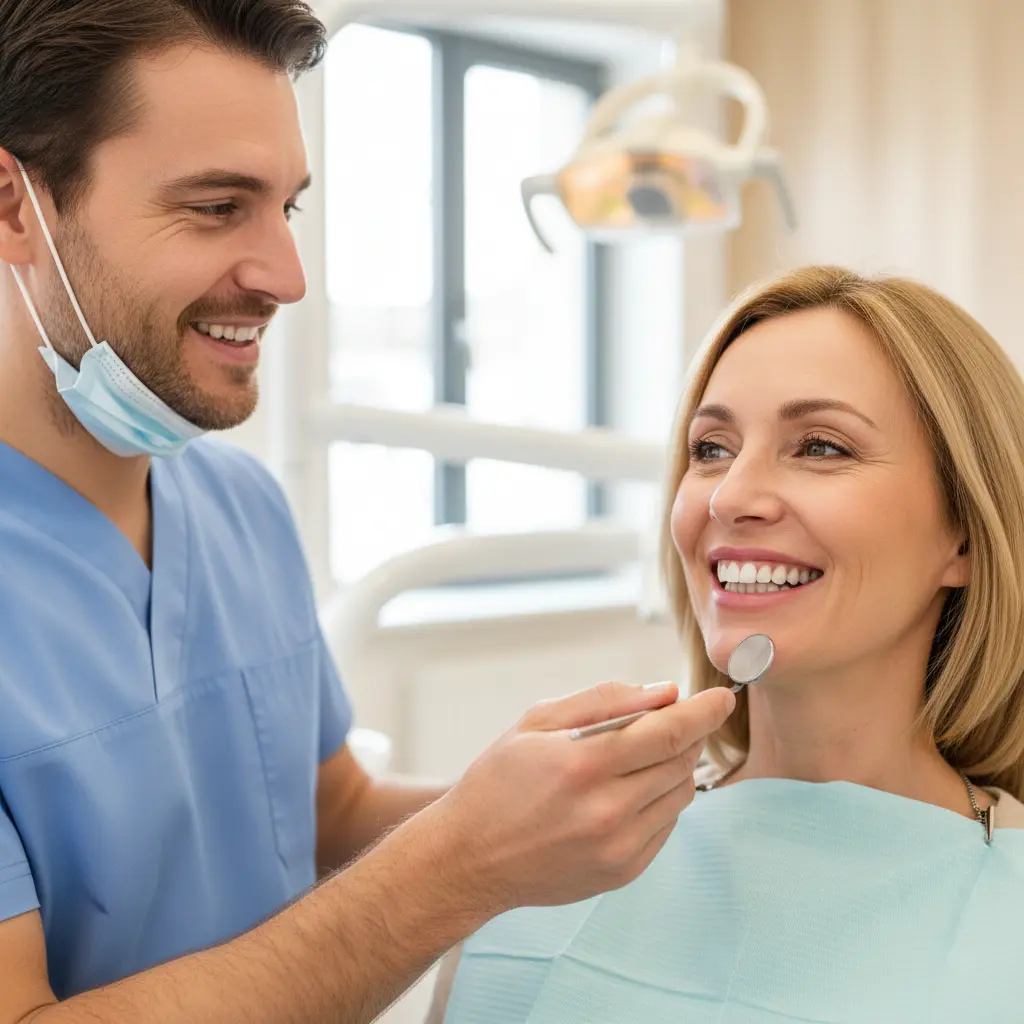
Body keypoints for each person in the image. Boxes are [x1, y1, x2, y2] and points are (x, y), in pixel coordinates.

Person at [0, 3, 738, 1023]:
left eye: (285, 209)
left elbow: (325, 812)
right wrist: (461, 863)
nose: (285, 277)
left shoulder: (239, 507)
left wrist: (557, 800)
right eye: (216, 207)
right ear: (13, 206)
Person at [430, 266, 1024, 1023]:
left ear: (965, 537)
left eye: (820, 446)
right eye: (711, 449)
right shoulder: (541, 862)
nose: (730, 496)